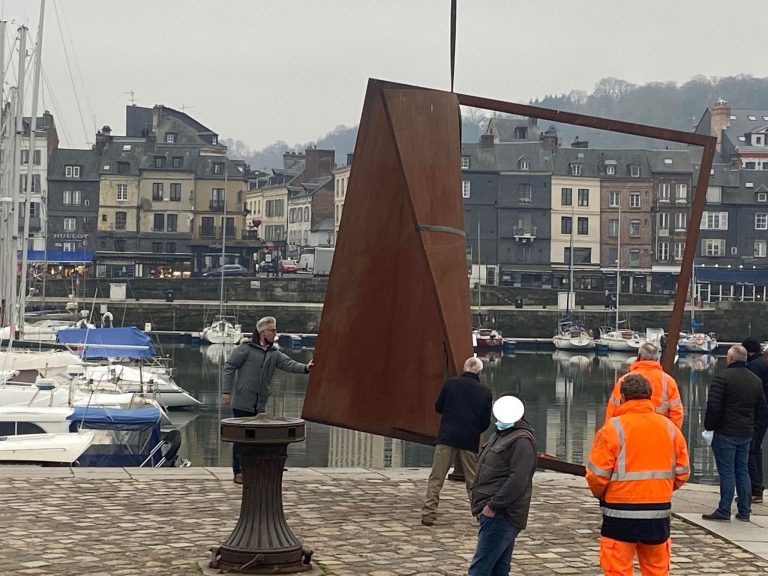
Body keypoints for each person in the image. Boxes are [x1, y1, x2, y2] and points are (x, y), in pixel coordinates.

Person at [587, 373, 690, 576]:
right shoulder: (670, 428)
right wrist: (661, 489)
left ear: (623, 397)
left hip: (619, 513)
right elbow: (682, 472)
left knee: (617, 569)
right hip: (657, 513)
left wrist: (603, 494)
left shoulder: (612, 429)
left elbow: (596, 476)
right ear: (650, 396)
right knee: (656, 570)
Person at [222, 316, 314, 484]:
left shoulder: (274, 353)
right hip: (243, 400)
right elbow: (229, 367)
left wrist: (306, 368)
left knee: (257, 438)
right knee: (240, 439)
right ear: (262, 332)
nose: (275, 333)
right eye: (272, 330)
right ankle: (238, 471)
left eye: (275, 330)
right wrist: (226, 391)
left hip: (260, 403)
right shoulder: (246, 349)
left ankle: (255, 467)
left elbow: (289, 364)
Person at [468, 395, 537, 576]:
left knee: (480, 569)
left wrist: (493, 506)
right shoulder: (500, 434)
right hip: (494, 513)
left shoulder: (521, 441)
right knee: (498, 568)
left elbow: (517, 480)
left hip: (502, 515)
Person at [421, 357, 492, 527]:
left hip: (447, 436)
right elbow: (485, 422)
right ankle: (479, 515)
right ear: (480, 372)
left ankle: (428, 514)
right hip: (469, 439)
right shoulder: (485, 391)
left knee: (436, 477)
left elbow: (438, 407)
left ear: (464, 368)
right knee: (473, 481)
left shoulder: (451, 384)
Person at [702, 345, 768, 522]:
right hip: (746, 432)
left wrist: (709, 426)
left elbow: (714, 406)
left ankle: (724, 510)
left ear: (730, 358)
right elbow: (762, 409)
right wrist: (754, 428)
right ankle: (745, 511)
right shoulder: (755, 380)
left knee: (727, 472)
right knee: (742, 471)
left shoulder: (722, 378)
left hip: (725, 431)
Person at [604, 341, 683, 428]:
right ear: (657, 359)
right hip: (659, 432)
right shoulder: (668, 381)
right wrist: (671, 435)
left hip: (629, 431)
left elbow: (612, 411)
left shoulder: (625, 380)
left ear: (639, 357)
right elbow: (677, 413)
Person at [743, 338, 768, 504]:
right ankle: (758, 486)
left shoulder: (753, 367)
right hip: (764, 413)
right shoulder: (764, 363)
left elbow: (752, 393)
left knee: (751, 451)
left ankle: (755, 489)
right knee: (756, 449)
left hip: (757, 414)